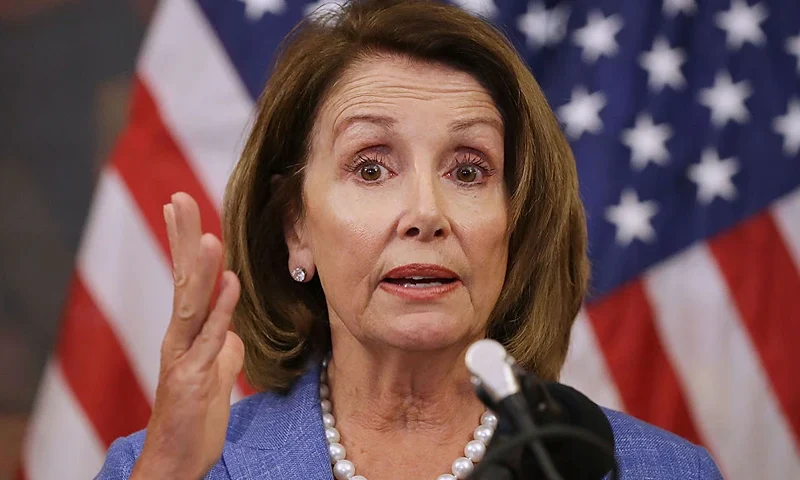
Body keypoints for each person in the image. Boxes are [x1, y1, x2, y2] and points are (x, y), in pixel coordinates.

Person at [96, 1, 724, 479]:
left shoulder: (655, 471)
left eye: (469, 170)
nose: (427, 213)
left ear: (515, 226)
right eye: (371, 167)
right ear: (297, 228)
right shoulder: (164, 467)